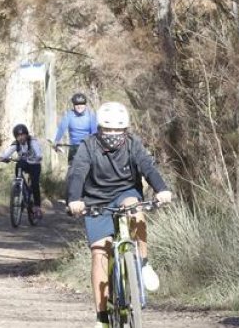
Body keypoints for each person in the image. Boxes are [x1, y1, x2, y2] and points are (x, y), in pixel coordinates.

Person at [67, 101, 173, 328]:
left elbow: (148, 167)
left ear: (125, 130)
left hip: (125, 193)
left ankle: (143, 264)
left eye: (118, 130)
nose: (113, 134)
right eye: (108, 130)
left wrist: (161, 189)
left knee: (135, 207)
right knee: (99, 253)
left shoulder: (133, 145)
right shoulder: (88, 146)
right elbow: (77, 173)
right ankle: (102, 316)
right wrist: (74, 200)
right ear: (100, 129)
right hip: (96, 200)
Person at [0, 123, 45, 219]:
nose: (21, 138)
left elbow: (38, 153)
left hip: (35, 164)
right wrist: (2, 158)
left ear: (26, 134)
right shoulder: (16, 144)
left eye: (23, 135)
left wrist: (38, 157)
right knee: (18, 164)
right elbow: (7, 153)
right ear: (16, 137)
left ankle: (37, 207)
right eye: (18, 136)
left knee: (35, 184)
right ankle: (19, 185)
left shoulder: (32, 142)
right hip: (25, 164)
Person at [53, 92, 98, 162]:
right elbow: (62, 128)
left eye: (81, 104)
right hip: (74, 147)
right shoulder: (69, 115)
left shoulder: (90, 116)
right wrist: (56, 140)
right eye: (77, 104)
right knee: (72, 169)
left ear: (85, 105)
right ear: (73, 105)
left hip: (87, 147)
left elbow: (94, 132)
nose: (79, 106)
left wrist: (95, 146)